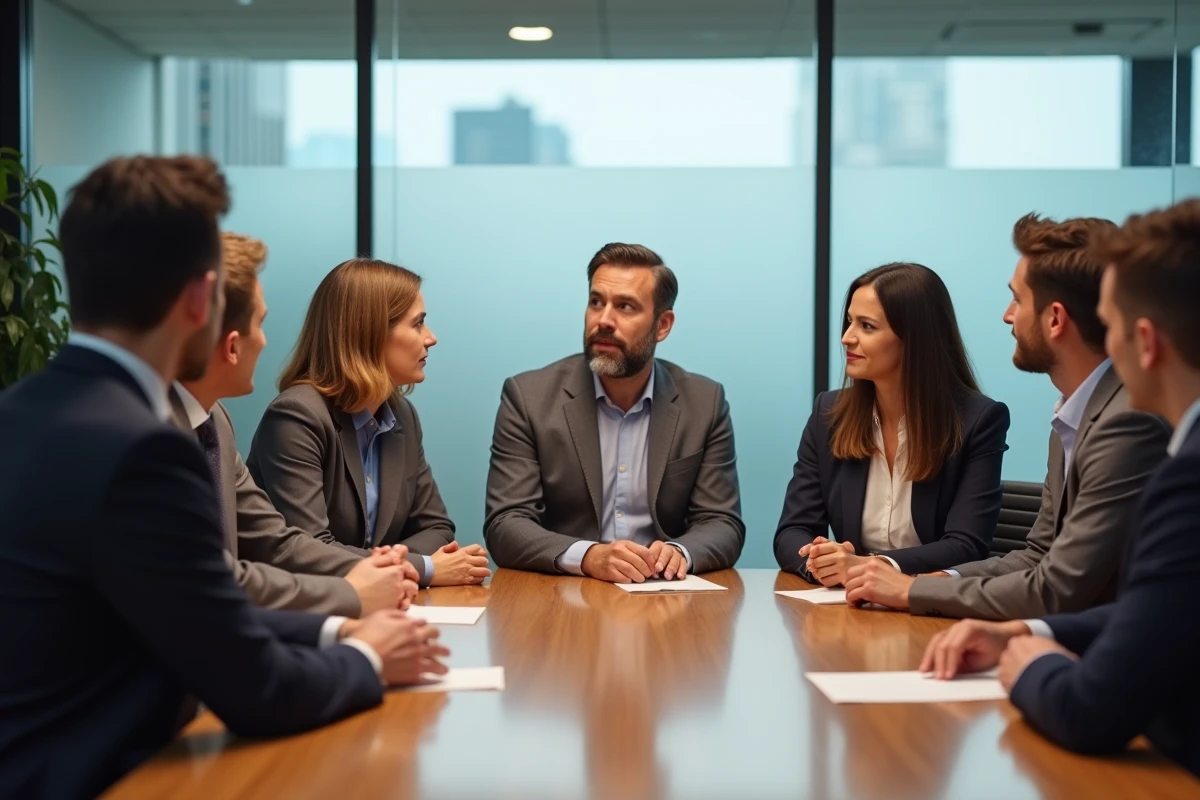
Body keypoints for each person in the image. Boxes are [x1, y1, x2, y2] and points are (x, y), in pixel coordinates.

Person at [0, 156, 447, 798]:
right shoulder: (143, 448)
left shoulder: (23, 411)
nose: (258, 337)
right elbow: (253, 686)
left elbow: (189, 610)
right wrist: (369, 656)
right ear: (199, 301)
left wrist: (335, 626)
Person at [920, 198, 1200, 778]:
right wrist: (1029, 631)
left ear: (1144, 342)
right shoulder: (1089, 418)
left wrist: (1032, 661)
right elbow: (1157, 609)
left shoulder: (1178, 471)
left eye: (1114, 321)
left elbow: (1089, 708)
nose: (1108, 345)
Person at [844, 215, 1169, 618]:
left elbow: (1057, 588)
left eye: (1017, 299)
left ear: (1055, 319)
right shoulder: (1076, 414)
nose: (1007, 315)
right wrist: (928, 582)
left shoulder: (1125, 424)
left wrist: (912, 591)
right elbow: (1038, 556)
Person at [171, 232, 420, 616]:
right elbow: (213, 580)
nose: (266, 342)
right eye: (260, 323)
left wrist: (379, 580)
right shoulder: (144, 433)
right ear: (232, 344)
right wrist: (368, 591)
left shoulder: (214, 420)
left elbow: (277, 540)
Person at [484, 243, 744, 581]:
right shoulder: (528, 398)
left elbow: (722, 523)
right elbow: (506, 524)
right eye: (596, 302)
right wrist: (589, 556)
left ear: (662, 325)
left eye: (625, 306)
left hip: (663, 601)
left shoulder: (704, 402)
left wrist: (678, 553)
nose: (604, 320)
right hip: (564, 601)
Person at [248, 258, 489, 587]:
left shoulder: (402, 415)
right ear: (370, 334)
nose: (430, 338)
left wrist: (388, 569)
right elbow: (306, 550)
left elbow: (436, 527)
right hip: (301, 614)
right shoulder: (296, 416)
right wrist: (422, 568)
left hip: (380, 603)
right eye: (417, 324)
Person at [774, 262, 1009, 585]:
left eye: (867, 326)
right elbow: (792, 531)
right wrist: (821, 561)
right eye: (849, 322)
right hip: (848, 609)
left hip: (929, 607)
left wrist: (867, 565)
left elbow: (966, 545)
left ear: (914, 339)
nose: (846, 338)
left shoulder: (977, 421)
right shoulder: (828, 414)